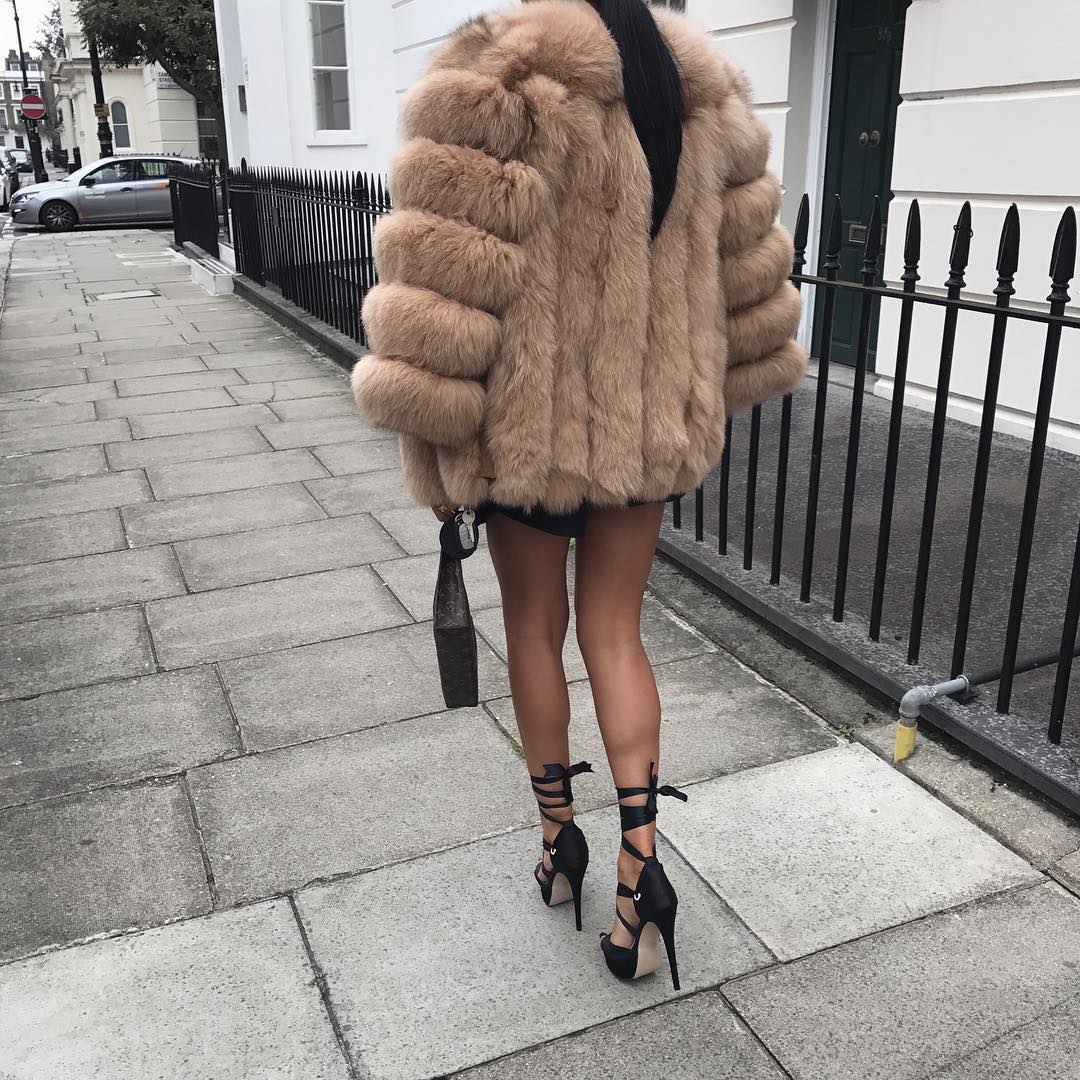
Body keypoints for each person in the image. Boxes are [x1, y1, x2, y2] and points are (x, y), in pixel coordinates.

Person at [353, 0, 807, 991]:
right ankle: (643, 878)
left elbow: (445, 288)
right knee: (616, 632)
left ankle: (559, 844)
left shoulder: (502, 72)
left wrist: (435, 448)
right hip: (647, 424)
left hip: (532, 427)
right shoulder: (698, 86)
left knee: (533, 626)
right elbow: (747, 277)